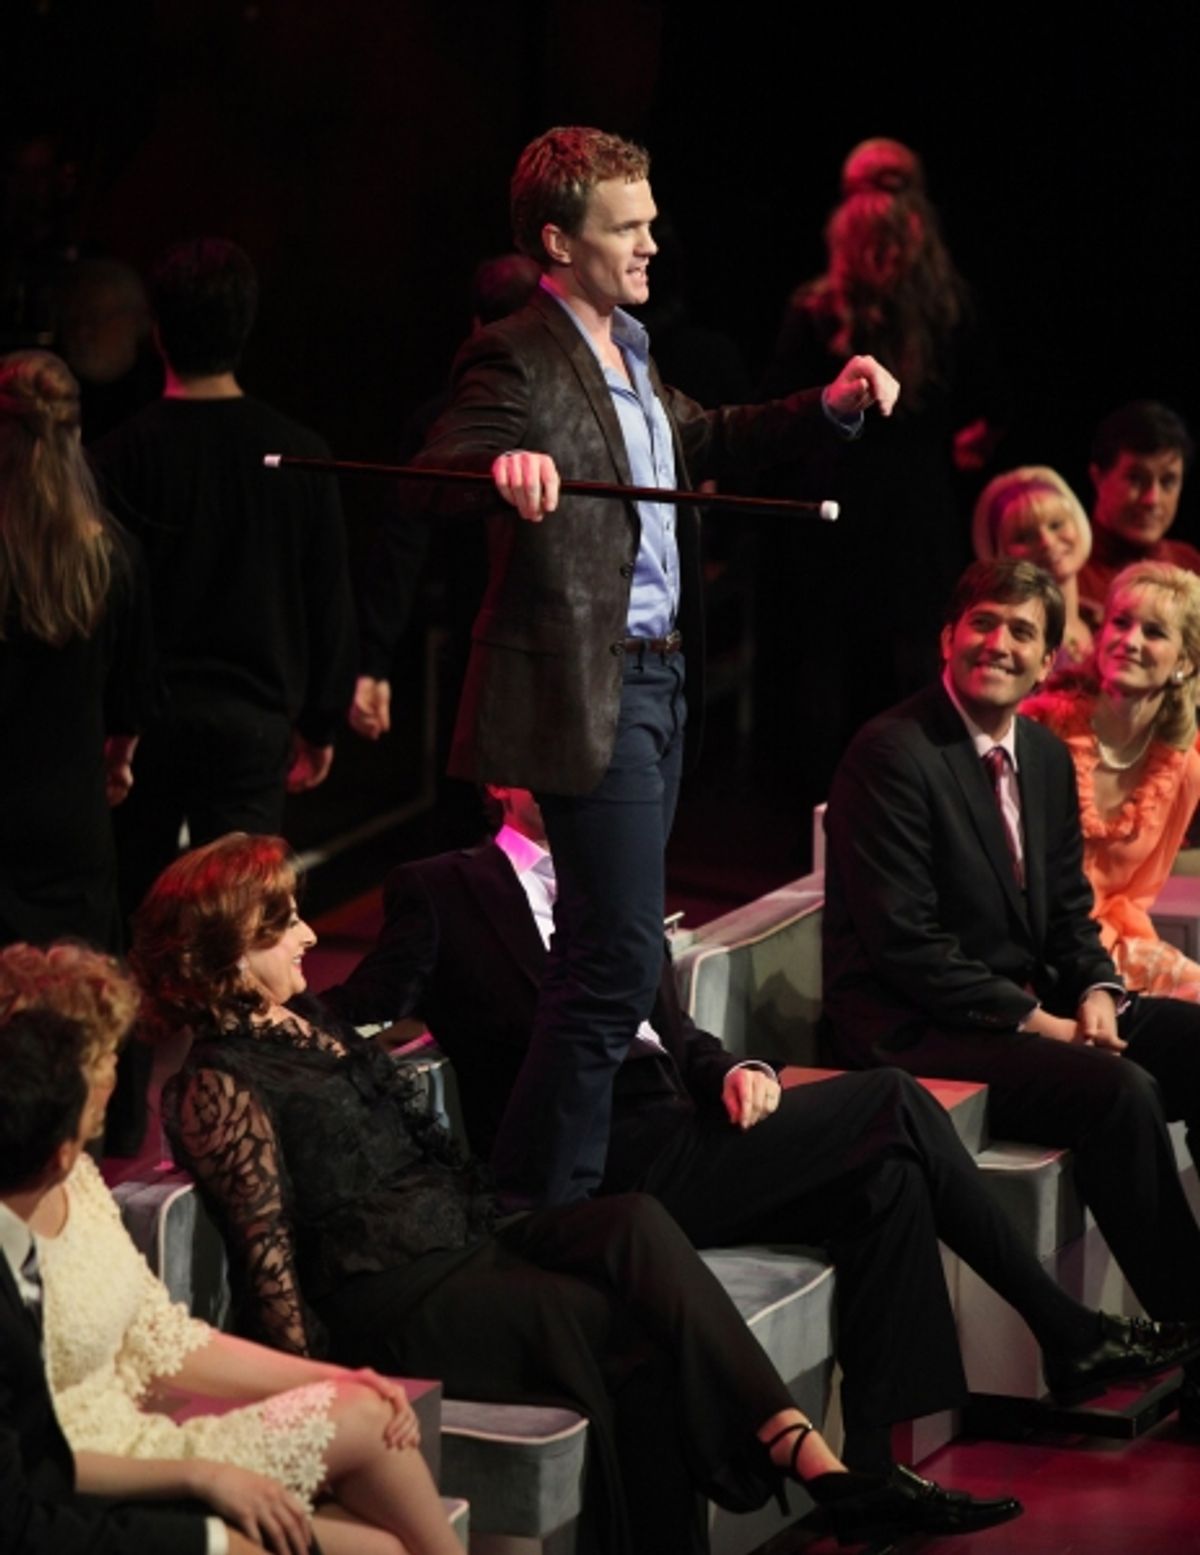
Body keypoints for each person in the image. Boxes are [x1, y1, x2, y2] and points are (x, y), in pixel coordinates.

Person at [133, 832, 1024, 1555]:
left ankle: (815, 1459)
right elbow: (269, 1261)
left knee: (635, 1220)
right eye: (282, 923)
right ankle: (804, 1470)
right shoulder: (215, 1083)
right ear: (223, 951)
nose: (311, 935)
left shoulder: (310, 1020)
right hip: (391, 1294)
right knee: (628, 1340)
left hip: (469, 1234)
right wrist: (323, 1392)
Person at [323, 783, 1200, 1472]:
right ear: (501, 777)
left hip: (677, 1122)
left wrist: (735, 1069)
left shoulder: (618, 877)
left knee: (885, 1182)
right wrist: (257, 1006)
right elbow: (359, 1008)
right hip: (594, 1162)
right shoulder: (441, 887)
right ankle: (1066, 1330)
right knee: (891, 1098)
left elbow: (677, 1031)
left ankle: (876, 1461)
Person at [415, 124, 899, 1211]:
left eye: (648, 221)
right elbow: (435, 472)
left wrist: (827, 409)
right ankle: (550, 1212)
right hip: (594, 689)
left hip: (657, 681)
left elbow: (701, 438)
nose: (650, 245)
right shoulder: (517, 351)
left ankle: (540, 1207)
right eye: (625, 227)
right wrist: (502, 466)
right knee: (613, 961)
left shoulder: (626, 343)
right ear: (557, 238)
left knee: (605, 953)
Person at [821, 556, 1200, 1428]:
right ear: (949, 637)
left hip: (1031, 1000)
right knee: (1119, 1092)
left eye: (1022, 631)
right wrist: (1045, 1025)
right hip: (914, 1024)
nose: (999, 642)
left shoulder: (1034, 747)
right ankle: (1190, 1325)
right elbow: (907, 948)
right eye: (984, 622)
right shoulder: (891, 751)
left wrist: (1098, 993)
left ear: (1045, 658)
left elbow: (1069, 912)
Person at [0, 941, 463, 1555]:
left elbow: (162, 1336)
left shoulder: (77, 1178)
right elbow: (32, 1482)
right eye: (102, 1058)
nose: (117, 1074)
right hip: (98, 1479)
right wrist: (207, 1477)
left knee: (373, 1412)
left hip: (148, 1441)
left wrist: (340, 1373)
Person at [92, 237, 357, 921]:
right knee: (238, 922)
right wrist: (322, 721)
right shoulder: (301, 454)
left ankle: (136, 1030)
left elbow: (107, 607)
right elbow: (329, 599)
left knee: (140, 912)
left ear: (158, 332)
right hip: (253, 722)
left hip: (146, 724)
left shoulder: (118, 456)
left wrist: (115, 727)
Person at [757, 137, 1006, 820]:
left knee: (836, 663)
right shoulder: (946, 301)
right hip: (912, 508)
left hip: (841, 502)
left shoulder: (818, 304)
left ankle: (830, 812)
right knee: (905, 658)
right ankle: (914, 808)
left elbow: (780, 403)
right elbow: (987, 407)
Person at [0, 1003, 251, 1555]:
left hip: (108, 1451)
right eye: (98, 1053)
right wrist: (206, 1514)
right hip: (85, 1477)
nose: (114, 1066)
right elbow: (26, 1509)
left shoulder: (67, 1190)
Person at [0, 348, 153, 952]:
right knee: (81, 996)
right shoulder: (111, 556)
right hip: (72, 816)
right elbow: (133, 698)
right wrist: (119, 759)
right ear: (76, 431)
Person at [1023, 563, 1200, 999]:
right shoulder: (1040, 725)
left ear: (1185, 662)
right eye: (1121, 622)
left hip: (1100, 942)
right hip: (1020, 939)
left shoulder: (1182, 770)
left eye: (1154, 632)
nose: (1130, 641)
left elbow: (1136, 896)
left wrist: (1102, 953)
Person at [1077, 400, 1198, 622]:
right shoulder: (1067, 570)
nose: (1153, 499)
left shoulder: (1191, 564)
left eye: (1168, 481)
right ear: (1098, 477)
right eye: (1135, 478)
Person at [973, 464, 1094, 669]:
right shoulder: (1015, 641)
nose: (1046, 542)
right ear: (999, 552)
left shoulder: (1101, 617)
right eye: (1024, 537)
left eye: (1056, 524)